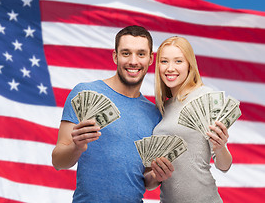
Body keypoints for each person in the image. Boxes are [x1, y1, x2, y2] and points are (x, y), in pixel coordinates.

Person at [51, 25, 174, 202]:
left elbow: (147, 179)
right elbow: (58, 162)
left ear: (150, 59)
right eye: (126, 53)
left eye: (141, 54)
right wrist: (77, 146)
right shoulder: (85, 93)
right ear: (115, 57)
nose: (133, 61)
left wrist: (157, 176)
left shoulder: (154, 114)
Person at [147, 36, 232, 202]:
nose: (170, 68)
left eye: (178, 61)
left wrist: (221, 147)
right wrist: (156, 174)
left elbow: (224, 166)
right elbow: (150, 183)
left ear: (189, 65)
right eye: (164, 61)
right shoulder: (161, 109)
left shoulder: (205, 97)